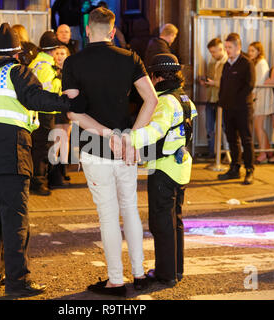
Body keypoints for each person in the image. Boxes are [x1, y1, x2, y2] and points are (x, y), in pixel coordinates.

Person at [0, 23, 82, 297]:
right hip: (12, 153)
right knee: (15, 217)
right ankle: (18, 282)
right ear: (16, 53)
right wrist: (68, 102)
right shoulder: (15, 71)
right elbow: (36, 98)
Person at [64, 7, 158, 297]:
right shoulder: (130, 57)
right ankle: (140, 275)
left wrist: (108, 135)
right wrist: (129, 137)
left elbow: (73, 115)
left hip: (94, 147)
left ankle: (116, 281)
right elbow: (151, 100)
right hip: (126, 148)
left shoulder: (73, 62)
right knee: (130, 208)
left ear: (88, 30)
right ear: (113, 31)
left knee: (108, 215)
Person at [127, 53, 197, 286]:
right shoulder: (184, 98)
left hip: (164, 169)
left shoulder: (165, 101)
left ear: (156, 77)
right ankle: (176, 270)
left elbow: (155, 130)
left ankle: (166, 275)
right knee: (174, 220)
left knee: (161, 223)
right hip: (180, 167)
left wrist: (130, 139)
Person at [218, 33, 255, 185]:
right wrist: (222, 101)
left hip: (242, 109)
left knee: (246, 139)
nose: (227, 50)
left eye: (230, 47)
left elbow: (249, 85)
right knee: (232, 140)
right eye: (226, 47)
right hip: (228, 109)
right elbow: (223, 85)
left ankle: (249, 170)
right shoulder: (227, 64)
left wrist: (236, 101)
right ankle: (234, 168)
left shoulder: (246, 63)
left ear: (238, 47)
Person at [29, 31, 63, 195]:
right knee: (43, 148)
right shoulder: (46, 66)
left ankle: (37, 179)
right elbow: (49, 90)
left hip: (36, 112)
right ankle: (38, 181)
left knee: (37, 147)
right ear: (53, 50)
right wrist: (60, 80)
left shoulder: (36, 63)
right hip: (45, 111)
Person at [248, 41, 274, 164]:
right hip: (259, 96)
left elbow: (258, 82)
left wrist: (252, 97)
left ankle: (263, 153)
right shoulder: (257, 63)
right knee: (259, 126)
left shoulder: (261, 63)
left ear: (259, 51)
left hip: (261, 97)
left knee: (258, 126)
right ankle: (268, 151)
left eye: (253, 50)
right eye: (249, 50)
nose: (250, 53)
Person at [201, 38, 228, 158]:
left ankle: (224, 153)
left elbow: (228, 83)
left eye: (214, 52)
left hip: (221, 100)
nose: (212, 54)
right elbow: (210, 78)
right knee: (209, 128)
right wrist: (205, 81)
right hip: (210, 98)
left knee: (223, 128)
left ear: (221, 49)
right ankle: (213, 153)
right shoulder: (212, 61)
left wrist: (214, 83)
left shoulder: (228, 62)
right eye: (211, 52)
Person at [52, 45, 72, 182]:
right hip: (56, 108)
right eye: (57, 53)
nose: (60, 56)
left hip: (67, 109)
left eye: (63, 53)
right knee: (56, 141)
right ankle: (54, 173)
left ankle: (63, 169)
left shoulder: (70, 71)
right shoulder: (51, 70)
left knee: (66, 139)